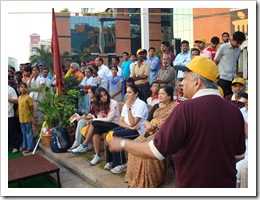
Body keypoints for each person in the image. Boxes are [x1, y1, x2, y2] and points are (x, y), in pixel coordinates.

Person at [107, 56, 246, 187]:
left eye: (184, 79)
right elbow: (238, 155)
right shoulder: (234, 111)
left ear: (197, 82)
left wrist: (123, 143)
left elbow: (156, 151)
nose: (181, 83)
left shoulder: (186, 109)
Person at [125, 86, 178, 187]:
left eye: (163, 94)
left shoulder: (175, 108)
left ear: (170, 96)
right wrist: (148, 124)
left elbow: (172, 124)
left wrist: (157, 123)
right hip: (150, 131)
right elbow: (147, 120)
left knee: (147, 153)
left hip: (163, 134)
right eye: (159, 93)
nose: (160, 95)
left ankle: (150, 181)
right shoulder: (157, 106)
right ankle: (136, 179)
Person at [104, 84, 148, 174]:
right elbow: (121, 122)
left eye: (129, 92)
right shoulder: (127, 104)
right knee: (108, 133)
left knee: (116, 136)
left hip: (138, 131)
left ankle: (121, 164)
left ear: (136, 94)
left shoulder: (141, 104)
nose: (127, 94)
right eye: (127, 92)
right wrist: (129, 126)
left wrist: (128, 108)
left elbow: (133, 122)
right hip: (128, 128)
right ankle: (111, 160)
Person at [72, 88, 120, 166]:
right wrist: (95, 120)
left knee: (94, 123)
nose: (104, 97)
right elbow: (98, 116)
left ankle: (84, 145)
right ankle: (97, 155)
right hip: (104, 124)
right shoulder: (98, 104)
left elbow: (109, 119)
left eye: (105, 95)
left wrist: (95, 120)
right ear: (98, 98)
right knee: (96, 130)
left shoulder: (113, 103)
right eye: (101, 96)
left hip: (114, 124)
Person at [214, 31, 246, 97]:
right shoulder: (223, 47)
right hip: (223, 77)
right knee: (222, 96)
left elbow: (235, 62)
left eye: (240, 43)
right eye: (237, 43)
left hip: (233, 78)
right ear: (232, 39)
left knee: (231, 97)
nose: (239, 45)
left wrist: (237, 73)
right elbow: (216, 61)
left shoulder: (238, 49)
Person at [68, 86, 98, 151]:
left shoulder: (97, 102)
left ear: (94, 93)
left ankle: (81, 144)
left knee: (81, 121)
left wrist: (84, 117)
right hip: (91, 118)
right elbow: (91, 113)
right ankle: (78, 143)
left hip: (96, 120)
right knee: (80, 121)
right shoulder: (92, 101)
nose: (88, 94)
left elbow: (96, 115)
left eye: (90, 92)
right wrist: (84, 116)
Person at [27, 66, 46, 134]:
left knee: (40, 116)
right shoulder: (30, 80)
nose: (35, 71)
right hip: (32, 99)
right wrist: (31, 78)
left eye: (36, 70)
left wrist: (32, 89)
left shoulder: (42, 79)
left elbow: (40, 89)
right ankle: (35, 133)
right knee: (33, 116)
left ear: (39, 71)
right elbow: (28, 88)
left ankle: (41, 132)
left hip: (40, 99)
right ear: (31, 72)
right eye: (33, 70)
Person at [18, 82, 35, 154]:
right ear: (19, 89)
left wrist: (31, 115)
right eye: (21, 87)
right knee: (24, 132)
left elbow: (31, 108)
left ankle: (30, 147)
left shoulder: (28, 97)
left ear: (26, 88)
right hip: (21, 118)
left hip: (27, 118)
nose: (23, 88)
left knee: (28, 132)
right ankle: (24, 146)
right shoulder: (19, 97)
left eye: (24, 87)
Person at [236, 90, 248, 188]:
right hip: (240, 145)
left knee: (239, 169)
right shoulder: (242, 111)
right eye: (246, 97)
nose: (246, 100)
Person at [8, 84, 19, 153]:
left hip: (9, 114)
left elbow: (16, 100)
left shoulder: (10, 89)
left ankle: (15, 146)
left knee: (11, 131)